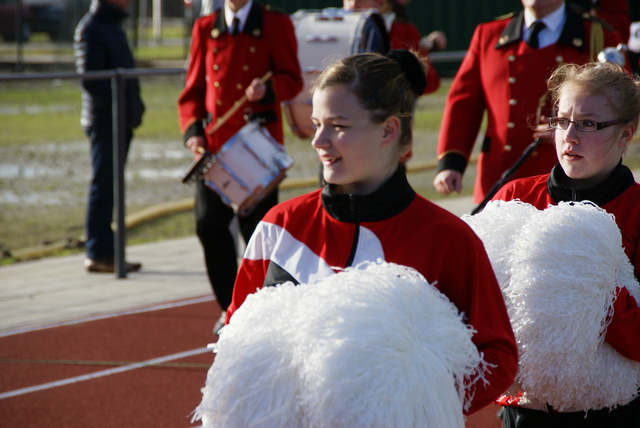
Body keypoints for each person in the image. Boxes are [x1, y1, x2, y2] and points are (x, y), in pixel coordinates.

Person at [225, 49, 519, 414]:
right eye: (317, 124)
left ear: (388, 130)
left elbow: (498, 357)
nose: (319, 141)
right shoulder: (280, 226)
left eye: (339, 126)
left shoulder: (448, 240)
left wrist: (410, 405)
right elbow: (236, 335)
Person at [492, 61, 640, 426]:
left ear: (626, 134)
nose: (569, 136)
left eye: (589, 123)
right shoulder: (516, 196)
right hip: (521, 409)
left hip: (612, 412)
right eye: (561, 120)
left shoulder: (637, 211)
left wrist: (589, 291)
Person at [177, 0, 303, 329]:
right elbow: (192, 94)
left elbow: (293, 79)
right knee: (208, 225)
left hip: (256, 151)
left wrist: (268, 89)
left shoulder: (275, 24)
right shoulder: (205, 28)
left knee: (259, 234)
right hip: (216, 152)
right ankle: (230, 307)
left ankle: (263, 306)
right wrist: (194, 134)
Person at [433, 0, 627, 205]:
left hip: (568, 184)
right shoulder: (489, 34)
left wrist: (575, 130)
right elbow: (463, 104)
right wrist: (451, 162)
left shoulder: (598, 36)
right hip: (499, 179)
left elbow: (621, 112)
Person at [74, 0, 145, 273]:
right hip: (104, 122)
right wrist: (120, 107)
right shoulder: (91, 27)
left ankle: (108, 251)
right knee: (103, 186)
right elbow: (91, 78)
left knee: (110, 187)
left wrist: (133, 108)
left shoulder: (111, 25)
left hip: (119, 120)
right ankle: (98, 252)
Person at [343, 0, 443, 94]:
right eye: (348, 0)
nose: (353, 5)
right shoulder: (335, 28)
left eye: (360, 0)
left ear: (378, 3)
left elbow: (427, 82)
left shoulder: (401, 29)